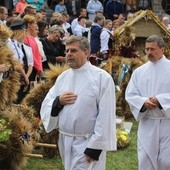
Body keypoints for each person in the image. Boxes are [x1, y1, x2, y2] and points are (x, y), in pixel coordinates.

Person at [40, 35, 116, 170]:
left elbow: (106, 114)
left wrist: (96, 147)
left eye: (73, 51)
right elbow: (48, 102)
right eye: (67, 51)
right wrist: (58, 102)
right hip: (65, 140)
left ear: (86, 53)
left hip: (87, 142)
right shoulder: (63, 77)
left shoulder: (101, 78)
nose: (69, 54)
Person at [125, 35, 170, 170]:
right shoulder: (139, 72)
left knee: (166, 161)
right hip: (148, 122)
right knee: (145, 159)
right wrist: (143, 102)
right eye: (147, 49)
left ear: (162, 50)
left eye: (153, 49)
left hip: (167, 121)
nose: (149, 52)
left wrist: (161, 100)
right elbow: (131, 94)